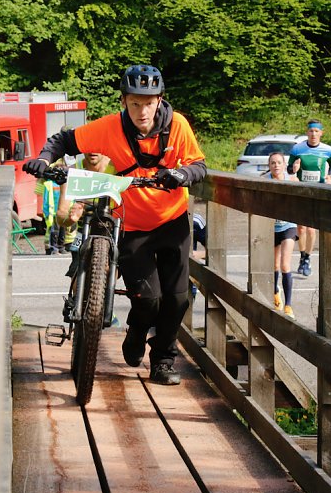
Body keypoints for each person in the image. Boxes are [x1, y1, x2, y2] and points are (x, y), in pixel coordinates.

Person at [24, 64, 207, 385]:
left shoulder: (177, 126)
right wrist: (43, 157)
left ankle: (163, 361)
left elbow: (198, 164)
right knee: (148, 299)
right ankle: (136, 332)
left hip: (173, 222)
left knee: (178, 298)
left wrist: (180, 174)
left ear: (160, 100)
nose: (142, 111)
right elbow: (64, 140)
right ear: (124, 101)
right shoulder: (110, 128)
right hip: (133, 226)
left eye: (149, 103)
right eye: (134, 103)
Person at [288, 119, 331, 277]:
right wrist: (293, 168)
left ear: (321, 133)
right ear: (307, 132)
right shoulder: (297, 148)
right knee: (301, 228)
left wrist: (330, 175)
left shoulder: (327, 149)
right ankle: (302, 257)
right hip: (303, 192)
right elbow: (289, 168)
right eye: (311, 131)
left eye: (316, 131)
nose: (313, 134)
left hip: (318, 192)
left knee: (311, 229)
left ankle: (307, 258)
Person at [266, 152, 298, 318]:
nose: (276, 165)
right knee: (274, 266)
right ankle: (275, 292)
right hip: (271, 228)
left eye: (279, 162)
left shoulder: (291, 180)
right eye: (273, 163)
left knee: (285, 265)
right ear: (269, 165)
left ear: (285, 165)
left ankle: (288, 305)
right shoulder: (264, 181)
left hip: (288, 226)